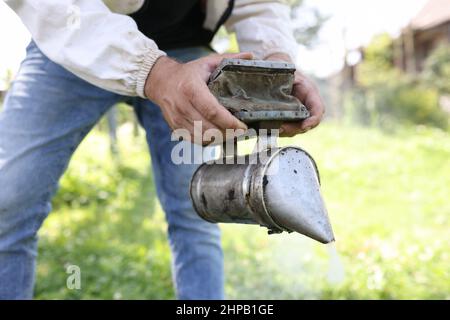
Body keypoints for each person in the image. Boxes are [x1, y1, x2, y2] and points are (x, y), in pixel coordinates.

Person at [0, 0, 325, 299]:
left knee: (197, 207)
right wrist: (155, 73)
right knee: (7, 200)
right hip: (73, 34)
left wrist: (276, 63)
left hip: (189, 55)